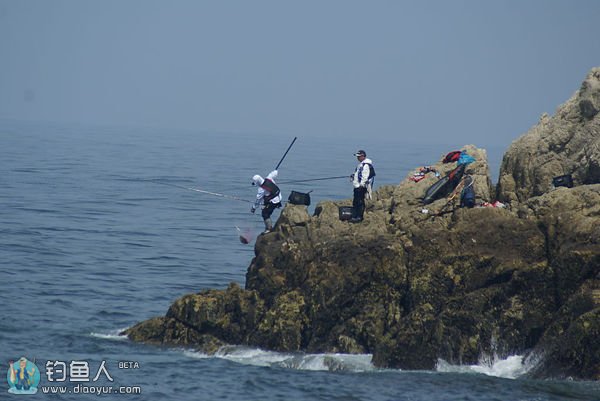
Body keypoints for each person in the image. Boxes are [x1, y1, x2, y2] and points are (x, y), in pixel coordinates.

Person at [350, 150, 375, 223]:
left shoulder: (366, 165)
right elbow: (358, 174)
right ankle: (355, 215)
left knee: (360, 201)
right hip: (357, 186)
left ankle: (359, 217)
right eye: (357, 156)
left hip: (361, 187)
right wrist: (353, 176)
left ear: (363, 156)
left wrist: (361, 185)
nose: (358, 158)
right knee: (356, 201)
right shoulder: (361, 164)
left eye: (359, 156)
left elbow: (365, 176)